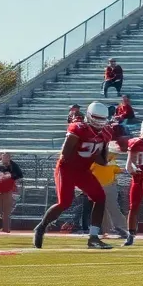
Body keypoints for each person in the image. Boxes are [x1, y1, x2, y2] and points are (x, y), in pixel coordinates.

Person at [32, 102, 116, 249]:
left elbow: (102, 161)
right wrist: (87, 148)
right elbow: (65, 154)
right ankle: (41, 227)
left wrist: (97, 152)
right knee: (65, 203)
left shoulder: (106, 133)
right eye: (96, 118)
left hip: (83, 170)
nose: (99, 122)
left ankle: (94, 237)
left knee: (100, 197)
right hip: (67, 168)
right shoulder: (78, 128)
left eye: (102, 119)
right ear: (89, 116)